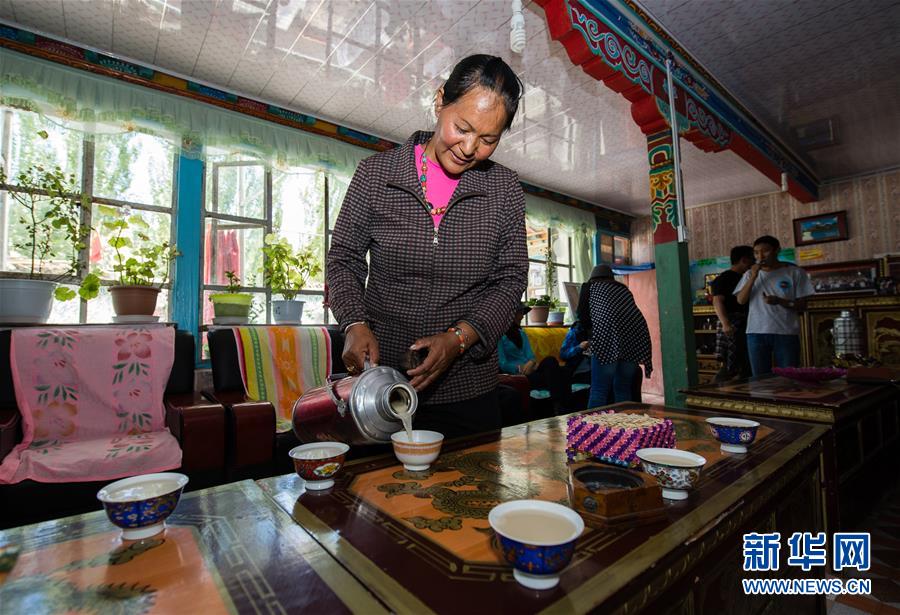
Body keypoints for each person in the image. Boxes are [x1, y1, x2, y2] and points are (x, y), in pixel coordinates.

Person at [326, 55, 528, 440]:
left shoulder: (504, 190)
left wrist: (459, 339)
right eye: (462, 127)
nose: (470, 148)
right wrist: (353, 322)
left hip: (469, 390)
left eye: (488, 140)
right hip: (382, 386)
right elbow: (344, 260)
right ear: (439, 102)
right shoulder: (375, 176)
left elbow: (510, 279)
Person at [735, 235, 815, 376]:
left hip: (785, 332)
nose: (760, 256)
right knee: (759, 380)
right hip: (755, 332)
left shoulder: (794, 272)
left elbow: (803, 306)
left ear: (777, 250)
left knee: (789, 378)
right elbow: (741, 300)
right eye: (756, 252)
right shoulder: (749, 274)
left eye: (765, 251)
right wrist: (753, 276)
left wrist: (780, 301)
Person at [577, 264, 652, 408]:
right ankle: (624, 428)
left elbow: (582, 315)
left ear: (593, 278)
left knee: (599, 390)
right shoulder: (623, 289)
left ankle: (593, 429)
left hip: (606, 339)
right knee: (623, 388)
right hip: (633, 339)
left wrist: (592, 335)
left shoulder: (590, 287)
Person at [497, 303, 572, 413]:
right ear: (510, 315)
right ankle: (560, 406)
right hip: (519, 375)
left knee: (556, 365)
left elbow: (531, 356)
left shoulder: (521, 333)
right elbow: (502, 363)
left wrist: (532, 362)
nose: (522, 316)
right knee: (558, 374)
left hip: (532, 371)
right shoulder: (499, 335)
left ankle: (560, 406)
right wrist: (520, 368)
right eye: (520, 313)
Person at [711, 245, 754, 381]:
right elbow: (717, 301)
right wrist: (725, 323)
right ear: (744, 260)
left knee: (743, 362)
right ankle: (714, 393)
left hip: (743, 323)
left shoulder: (745, 277)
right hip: (732, 323)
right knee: (731, 365)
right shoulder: (725, 278)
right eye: (753, 258)